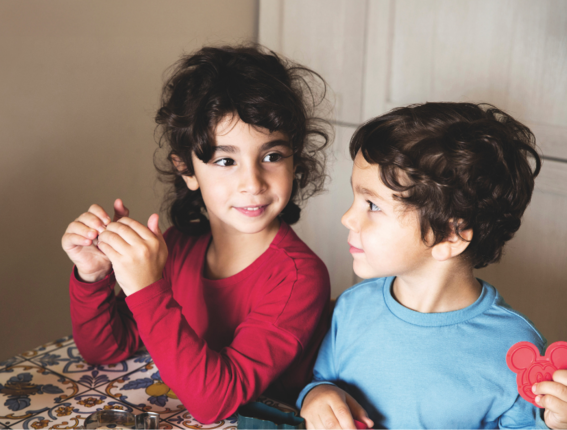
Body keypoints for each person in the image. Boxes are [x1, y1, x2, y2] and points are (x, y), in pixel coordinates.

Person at [61, 45, 331, 423]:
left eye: (272, 156)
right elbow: (105, 350)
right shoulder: (177, 246)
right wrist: (95, 276)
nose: (253, 183)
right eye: (226, 160)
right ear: (187, 170)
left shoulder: (298, 277)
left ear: (295, 159)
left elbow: (214, 404)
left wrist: (146, 289)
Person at [297, 102, 550, 429]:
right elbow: (320, 380)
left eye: (372, 205)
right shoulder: (352, 307)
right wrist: (318, 394)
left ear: (449, 235)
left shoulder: (517, 348)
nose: (348, 217)